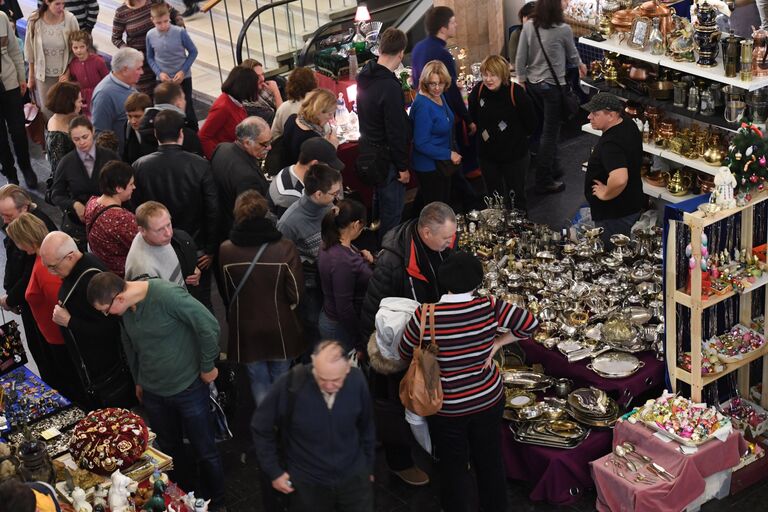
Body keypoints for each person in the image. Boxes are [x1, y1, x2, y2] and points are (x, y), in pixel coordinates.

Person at [399, 251, 538, 512]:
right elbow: (529, 324)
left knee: (453, 466)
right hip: (488, 399)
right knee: (490, 460)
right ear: (478, 281)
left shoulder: (425, 315)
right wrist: (497, 342)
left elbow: (404, 352)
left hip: (448, 405)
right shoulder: (490, 306)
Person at [86, 272, 226, 512]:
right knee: (170, 450)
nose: (107, 315)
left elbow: (208, 325)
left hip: (188, 387)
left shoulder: (166, 295)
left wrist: (207, 366)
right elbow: (130, 345)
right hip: (153, 392)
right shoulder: (127, 310)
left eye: (106, 310)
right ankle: (187, 497)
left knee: (205, 450)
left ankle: (219, 501)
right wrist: (139, 380)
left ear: (118, 298)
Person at [360, 201, 458, 487]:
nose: (451, 242)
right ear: (426, 232)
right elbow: (372, 310)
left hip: (426, 343)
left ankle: (435, 449)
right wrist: (373, 353)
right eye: (446, 238)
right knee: (394, 405)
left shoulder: (439, 247)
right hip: (396, 349)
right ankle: (399, 462)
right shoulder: (393, 261)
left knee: (428, 397)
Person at [253, 340, 375, 512]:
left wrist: (367, 466)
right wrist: (274, 471)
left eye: (336, 380)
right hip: (308, 483)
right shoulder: (291, 384)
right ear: (313, 364)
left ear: (347, 368)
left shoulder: (357, 381)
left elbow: (367, 426)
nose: (329, 385)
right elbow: (261, 426)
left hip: (353, 479)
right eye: (322, 378)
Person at [219, 190, 304, 405]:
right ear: (266, 213)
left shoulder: (226, 250)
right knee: (281, 377)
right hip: (280, 325)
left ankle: (266, 423)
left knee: (258, 380)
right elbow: (295, 293)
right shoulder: (285, 248)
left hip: (245, 327)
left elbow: (227, 292)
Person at [40, 231, 136, 409]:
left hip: (109, 373)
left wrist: (70, 322)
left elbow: (111, 327)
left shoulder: (90, 279)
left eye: (52, 267)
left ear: (70, 257)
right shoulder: (85, 262)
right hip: (99, 371)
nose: (50, 272)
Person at [132, 110, 218, 308]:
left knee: (170, 305)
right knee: (202, 304)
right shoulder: (200, 165)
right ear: (181, 133)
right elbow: (212, 210)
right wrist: (210, 248)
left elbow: (136, 209)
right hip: (197, 250)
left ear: (155, 134)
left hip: (157, 250)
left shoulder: (139, 166)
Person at [5, 213, 83, 401]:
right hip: (52, 335)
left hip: (58, 338)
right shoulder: (42, 261)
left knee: (69, 385)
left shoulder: (44, 266)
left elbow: (59, 302)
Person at [515, 0, 586, 194]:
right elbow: (572, 54)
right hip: (552, 87)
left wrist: (521, 80)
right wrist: (581, 65)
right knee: (550, 132)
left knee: (544, 128)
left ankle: (554, 166)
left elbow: (521, 56)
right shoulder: (563, 29)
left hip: (533, 85)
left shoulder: (529, 26)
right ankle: (544, 178)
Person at [278, 163, 342, 350]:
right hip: (309, 284)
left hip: (329, 276)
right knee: (314, 325)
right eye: (334, 194)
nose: (337, 198)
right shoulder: (289, 222)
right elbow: (282, 261)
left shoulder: (328, 206)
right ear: (318, 194)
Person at [0, 185, 58, 387]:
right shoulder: (18, 225)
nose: (4, 221)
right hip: (25, 301)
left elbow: (28, 276)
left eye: (8, 215)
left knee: (49, 359)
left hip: (39, 310)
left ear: (24, 208)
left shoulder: (37, 230)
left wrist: (10, 299)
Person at [356, 28, 411, 242]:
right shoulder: (389, 86)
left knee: (380, 205)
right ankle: (388, 254)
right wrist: (403, 167)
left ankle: (379, 245)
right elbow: (395, 131)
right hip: (388, 160)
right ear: (400, 53)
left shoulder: (364, 75)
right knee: (393, 213)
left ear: (380, 49)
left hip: (370, 153)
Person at [468, 55, 537, 212]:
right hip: (487, 157)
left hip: (515, 157)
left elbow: (531, 123)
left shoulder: (516, 93)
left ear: (503, 74)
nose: (488, 79)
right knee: (493, 198)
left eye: (493, 74)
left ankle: (519, 232)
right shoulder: (478, 91)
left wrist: (515, 138)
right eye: (485, 74)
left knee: (516, 198)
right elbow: (472, 116)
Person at [51, 115, 120, 250]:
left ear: (93, 132)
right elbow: (56, 194)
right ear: (71, 138)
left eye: (85, 137)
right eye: (76, 139)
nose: (82, 142)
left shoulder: (110, 157)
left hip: (109, 218)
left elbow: (124, 185)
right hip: (80, 224)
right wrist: (74, 204)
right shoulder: (66, 163)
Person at [583, 93, 644, 243]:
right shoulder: (628, 124)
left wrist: (606, 194)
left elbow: (619, 179)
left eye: (595, 114)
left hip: (614, 214)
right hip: (631, 203)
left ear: (611, 116)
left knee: (612, 254)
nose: (589, 117)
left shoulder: (611, 145)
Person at [317, 199, 373, 353]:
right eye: (362, 226)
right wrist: (359, 343)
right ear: (355, 224)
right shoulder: (342, 261)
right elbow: (344, 308)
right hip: (340, 328)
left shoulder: (329, 242)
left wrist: (362, 259)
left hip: (332, 317)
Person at [411, 6, 475, 136]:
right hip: (442, 114)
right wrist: (468, 120)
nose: (456, 25)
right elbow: (451, 92)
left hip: (424, 110)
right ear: (442, 28)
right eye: (452, 22)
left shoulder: (418, 47)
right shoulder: (442, 53)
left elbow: (415, 82)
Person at [210, 116, 271, 241]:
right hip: (234, 234)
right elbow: (249, 217)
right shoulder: (248, 178)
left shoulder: (222, 148)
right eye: (264, 144)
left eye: (270, 142)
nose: (269, 147)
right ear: (247, 143)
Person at [409, 60, 461, 205]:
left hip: (440, 164)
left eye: (441, 83)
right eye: (432, 83)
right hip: (429, 167)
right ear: (425, 83)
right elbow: (421, 143)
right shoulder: (423, 106)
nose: (437, 88)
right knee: (437, 210)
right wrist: (449, 154)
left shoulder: (438, 95)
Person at [112, 0, 183, 97]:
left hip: (163, 59)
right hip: (142, 64)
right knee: (147, 98)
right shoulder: (121, 12)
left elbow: (174, 13)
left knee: (168, 96)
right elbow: (116, 38)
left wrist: (179, 26)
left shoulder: (155, 1)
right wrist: (130, 52)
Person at [124, 201, 201, 290]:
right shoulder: (143, 270)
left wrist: (191, 267)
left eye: (168, 225)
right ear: (142, 230)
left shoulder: (157, 238)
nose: (168, 233)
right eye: (160, 230)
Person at [146, 2, 199, 128]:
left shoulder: (180, 32)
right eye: (159, 23)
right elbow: (150, 57)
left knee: (187, 109)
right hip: (163, 79)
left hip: (183, 77)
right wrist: (159, 73)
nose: (163, 25)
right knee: (165, 110)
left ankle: (193, 135)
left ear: (169, 16)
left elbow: (193, 52)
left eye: (166, 21)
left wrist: (183, 71)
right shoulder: (150, 35)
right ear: (152, 20)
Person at [24, 0, 80, 119]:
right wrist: (31, 76)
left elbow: (76, 51)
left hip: (64, 77)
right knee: (47, 111)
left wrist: (67, 72)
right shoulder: (35, 20)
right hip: (43, 77)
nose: (61, 7)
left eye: (63, 3)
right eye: (57, 4)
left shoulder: (70, 19)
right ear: (47, 2)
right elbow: (30, 50)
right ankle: (51, 136)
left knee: (67, 111)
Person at [0, 10, 36, 188]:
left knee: (19, 131)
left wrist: (22, 78)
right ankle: (10, 175)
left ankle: (26, 167)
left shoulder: (1, 17)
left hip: (9, 83)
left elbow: (14, 51)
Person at [84, 161, 138, 277]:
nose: (134, 187)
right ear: (118, 188)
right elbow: (143, 248)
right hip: (125, 275)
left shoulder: (91, 203)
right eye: (131, 184)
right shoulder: (122, 220)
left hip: (104, 270)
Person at [269, 137, 345, 218]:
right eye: (329, 167)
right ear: (314, 164)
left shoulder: (291, 170)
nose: (331, 171)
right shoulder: (292, 195)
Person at [91, 47, 144, 155]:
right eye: (138, 68)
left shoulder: (128, 85)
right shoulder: (104, 95)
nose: (142, 72)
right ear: (125, 70)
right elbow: (101, 136)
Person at [199, 65, 256, 159]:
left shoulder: (236, 102)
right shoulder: (223, 107)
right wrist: (219, 159)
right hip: (228, 159)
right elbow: (203, 136)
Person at [136, 81, 203, 156]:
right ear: (179, 103)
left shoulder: (143, 127)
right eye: (183, 98)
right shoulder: (185, 132)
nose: (185, 101)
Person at [281, 88, 339, 167]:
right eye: (330, 114)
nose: (331, 117)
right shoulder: (313, 138)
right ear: (318, 112)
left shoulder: (292, 118)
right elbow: (322, 169)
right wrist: (332, 147)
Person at [63, 31, 108, 119]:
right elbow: (74, 82)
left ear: (87, 46)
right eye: (75, 47)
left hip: (99, 98)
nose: (79, 50)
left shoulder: (98, 61)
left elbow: (107, 80)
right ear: (71, 48)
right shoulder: (73, 64)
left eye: (82, 47)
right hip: (84, 102)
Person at [45, 81, 82, 186]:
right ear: (69, 103)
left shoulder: (65, 118)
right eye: (79, 101)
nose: (81, 104)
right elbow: (60, 172)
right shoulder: (57, 137)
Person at [271, 66, 317, 139]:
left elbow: (274, 134)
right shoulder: (316, 106)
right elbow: (326, 132)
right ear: (313, 85)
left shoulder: (283, 107)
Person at [240, 58, 283, 125]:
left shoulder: (264, 91)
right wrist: (276, 92)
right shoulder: (249, 106)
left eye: (262, 74)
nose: (262, 78)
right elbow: (282, 120)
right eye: (257, 76)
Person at [123, 91, 154, 163]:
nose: (133, 121)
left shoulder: (157, 129)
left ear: (147, 113)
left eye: (137, 116)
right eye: (129, 116)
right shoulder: (127, 127)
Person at [508, 2, 536, 67]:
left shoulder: (545, 35)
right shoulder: (516, 34)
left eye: (530, 17)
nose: (525, 19)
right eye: (524, 16)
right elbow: (514, 63)